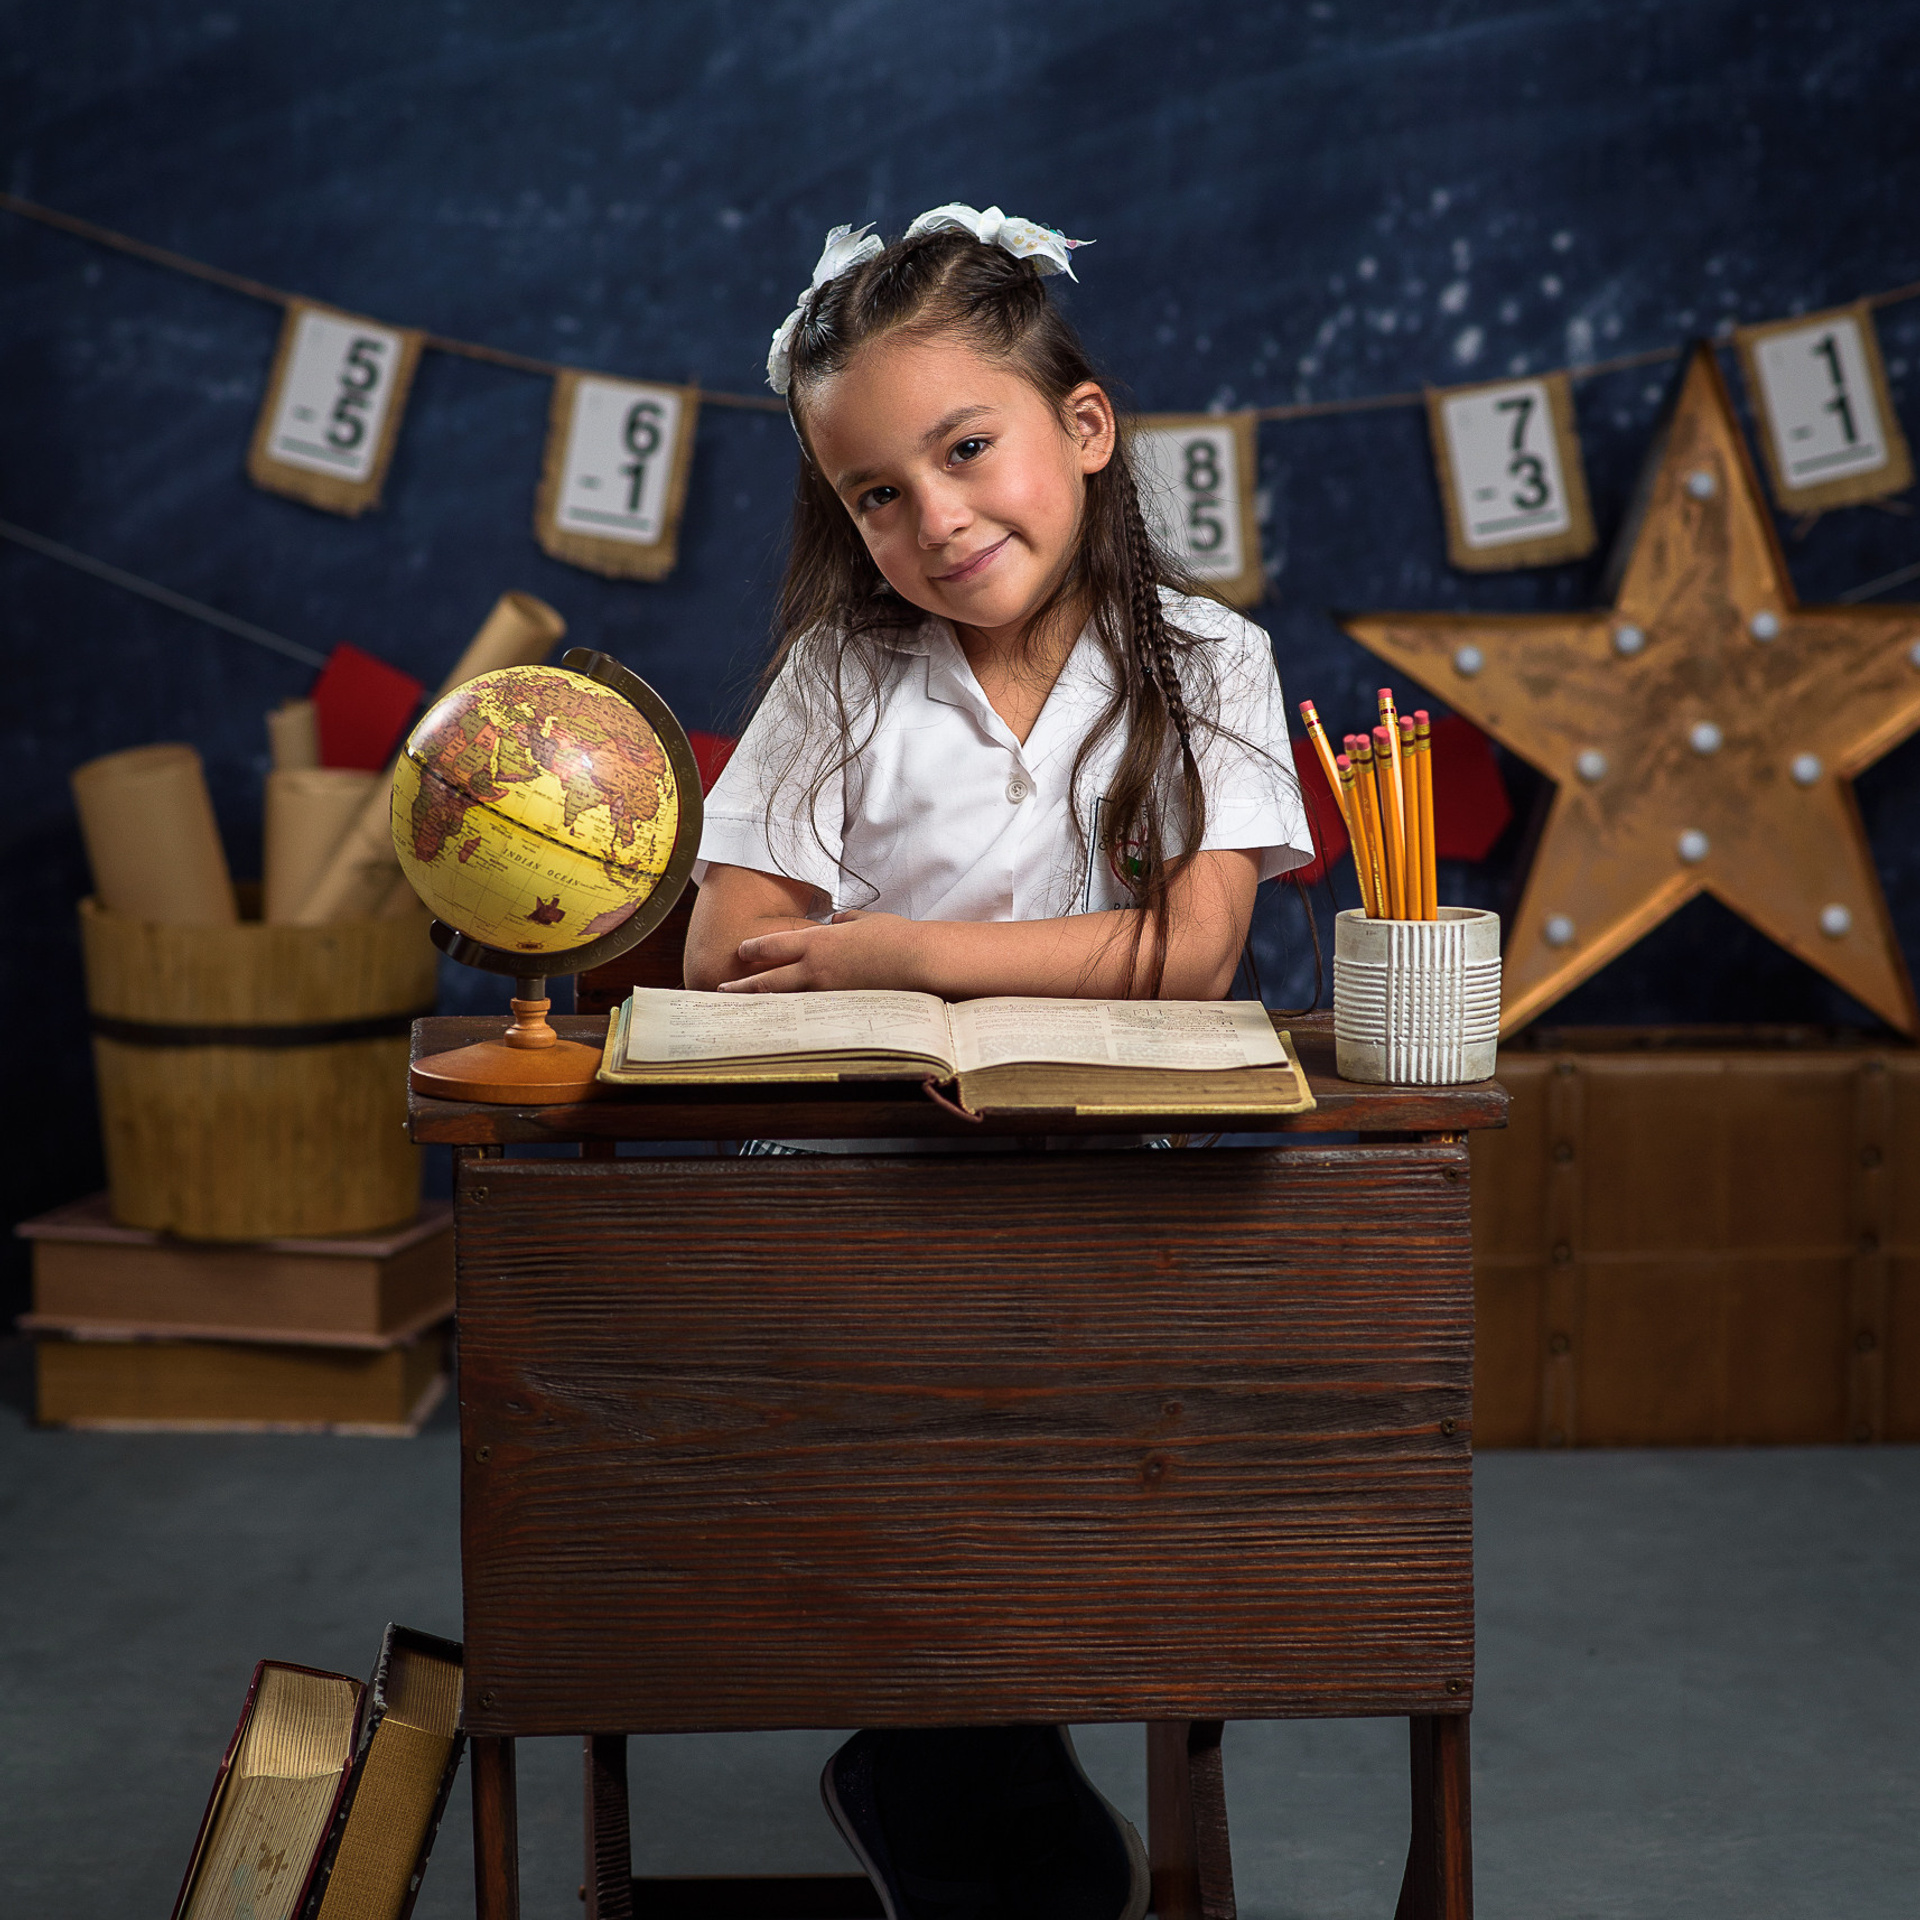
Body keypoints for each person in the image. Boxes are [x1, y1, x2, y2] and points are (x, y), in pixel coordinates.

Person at [684, 203, 1313, 1920]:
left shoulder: (1210, 664)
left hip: (1118, 1208)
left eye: (966, 450)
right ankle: (948, 1759)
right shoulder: (839, 680)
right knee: (914, 1419)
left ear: (1084, 429)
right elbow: (725, 957)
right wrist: (883, 982)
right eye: (876, 495)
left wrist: (900, 951)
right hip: (863, 1202)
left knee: (1095, 1434)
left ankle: (958, 1756)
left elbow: (1189, 958)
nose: (937, 519)